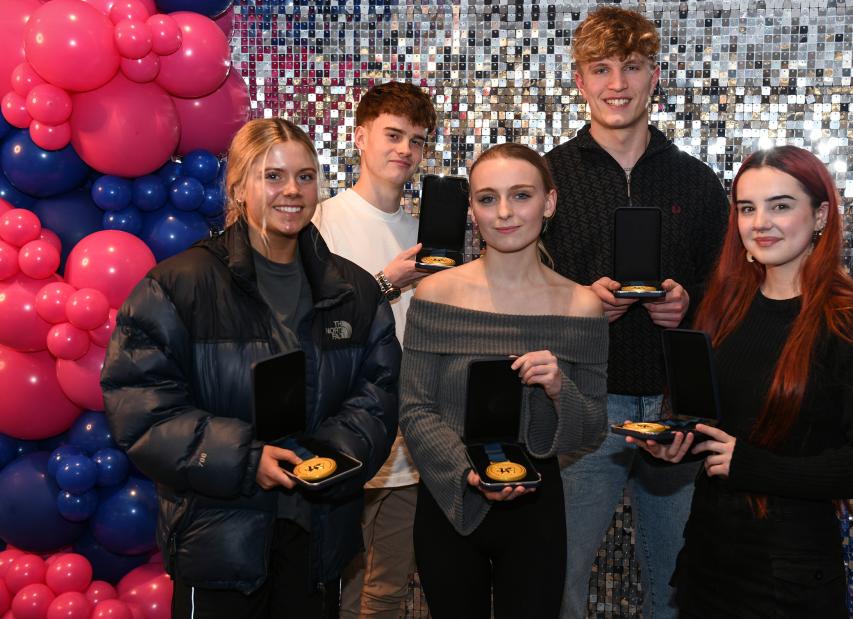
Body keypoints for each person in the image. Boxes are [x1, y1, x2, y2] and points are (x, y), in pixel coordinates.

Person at [101, 118, 401, 618]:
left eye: (305, 177)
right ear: (238, 186)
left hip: (316, 532)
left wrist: (329, 458)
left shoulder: (354, 291)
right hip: (218, 537)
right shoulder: (178, 285)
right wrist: (245, 459)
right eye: (273, 176)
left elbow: (379, 396)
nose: (292, 191)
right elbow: (140, 409)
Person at [631, 146, 853, 618]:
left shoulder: (846, 320)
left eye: (781, 206)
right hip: (708, 560)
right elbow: (721, 428)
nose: (761, 223)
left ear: (820, 215)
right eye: (747, 208)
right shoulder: (722, 305)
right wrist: (674, 443)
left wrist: (752, 465)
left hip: (789, 575)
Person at [543, 6, 729, 618]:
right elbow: (513, 289)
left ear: (655, 76)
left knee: (675, 587)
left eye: (631, 67)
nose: (616, 84)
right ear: (579, 80)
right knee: (557, 582)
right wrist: (579, 303)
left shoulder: (698, 183)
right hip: (581, 405)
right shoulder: (548, 178)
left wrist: (689, 303)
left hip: (675, 409)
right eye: (601, 68)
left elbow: (727, 297)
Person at [399, 143, 609, 619]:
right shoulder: (436, 294)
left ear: (549, 203)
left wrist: (560, 389)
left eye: (521, 195)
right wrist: (469, 474)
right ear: (472, 210)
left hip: (538, 510)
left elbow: (594, 423)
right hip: (450, 498)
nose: (505, 213)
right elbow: (415, 408)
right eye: (488, 199)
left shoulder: (581, 306)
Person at [313, 80, 436, 619]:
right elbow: (312, 330)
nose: (404, 149)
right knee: (334, 580)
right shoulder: (320, 222)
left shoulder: (426, 234)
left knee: (389, 588)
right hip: (348, 430)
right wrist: (387, 283)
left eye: (416, 139)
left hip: (412, 436)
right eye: (392, 134)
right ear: (360, 137)